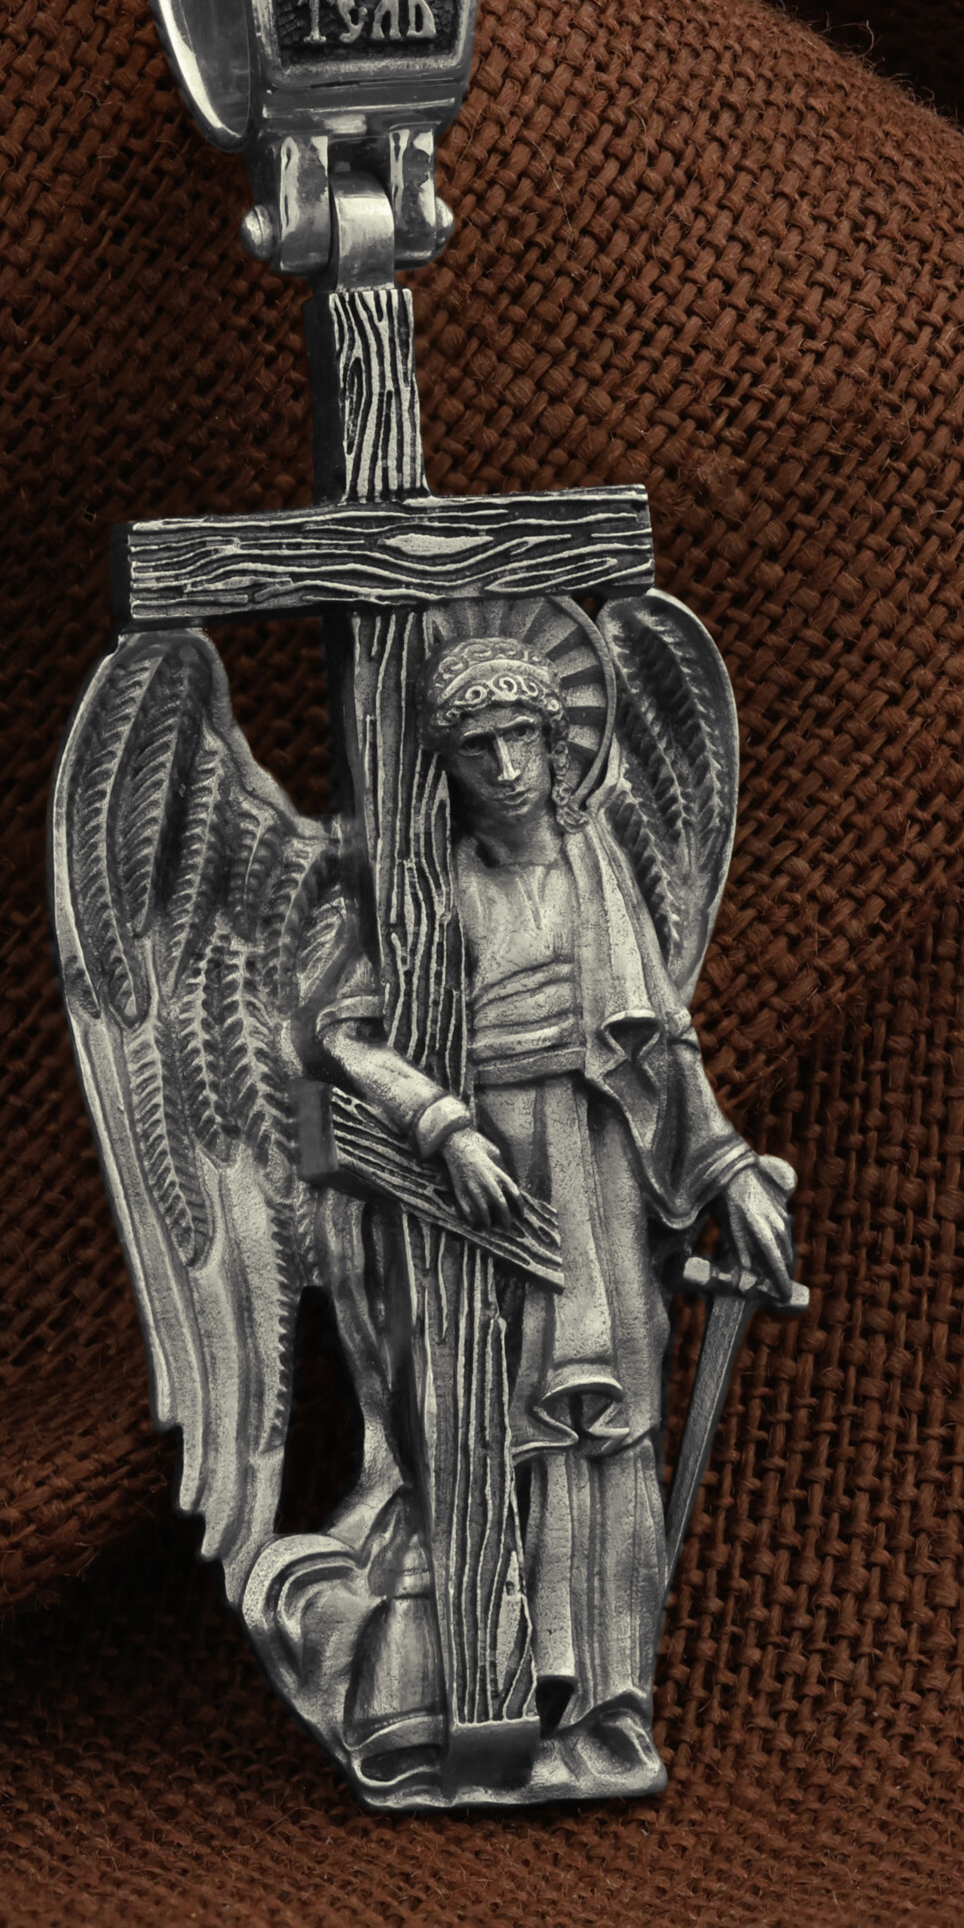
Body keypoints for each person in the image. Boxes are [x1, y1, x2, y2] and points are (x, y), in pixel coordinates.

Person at [315, 634, 796, 1796]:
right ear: (447, 766)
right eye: (476, 748)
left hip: (597, 1157)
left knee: (611, 1423)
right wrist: (442, 1124)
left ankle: (613, 1709)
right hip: (483, 1179)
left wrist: (729, 1169)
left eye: (521, 737)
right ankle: (499, 1700)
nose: (505, 766)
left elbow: (662, 1041)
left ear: (555, 739)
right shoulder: (427, 888)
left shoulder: (595, 865)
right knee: (493, 1423)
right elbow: (338, 1036)